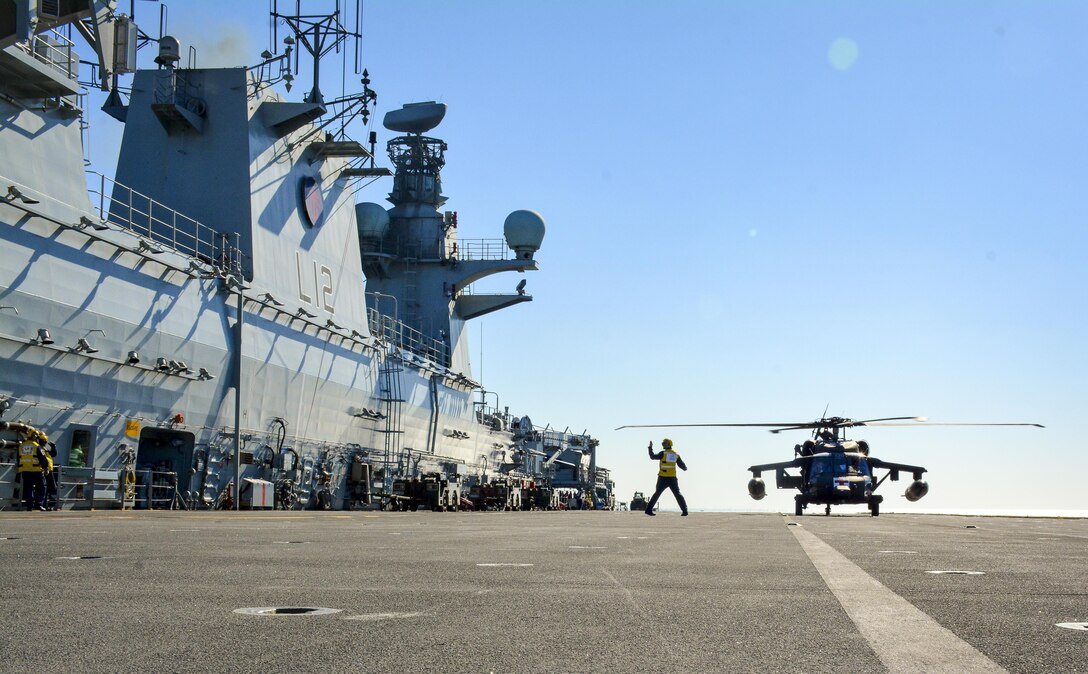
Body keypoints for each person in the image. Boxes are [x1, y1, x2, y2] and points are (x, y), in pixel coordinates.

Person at [644, 438, 688, 516]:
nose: (663, 445)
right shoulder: (675, 454)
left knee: (657, 493)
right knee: (677, 494)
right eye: (663, 443)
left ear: (669, 444)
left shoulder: (663, 453)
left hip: (663, 478)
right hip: (672, 478)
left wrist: (650, 448)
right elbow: (681, 464)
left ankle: (648, 510)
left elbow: (652, 456)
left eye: (665, 443)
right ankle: (685, 510)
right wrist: (685, 468)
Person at [16, 431, 47, 511]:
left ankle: (29, 505)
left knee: (28, 488)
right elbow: (43, 459)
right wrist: (46, 468)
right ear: (35, 437)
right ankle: (38, 504)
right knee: (41, 487)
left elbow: (18, 458)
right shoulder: (37, 446)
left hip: (25, 470)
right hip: (36, 470)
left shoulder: (21, 446)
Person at [42, 441, 58, 510]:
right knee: (47, 488)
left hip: (49, 470)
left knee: (51, 488)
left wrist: (53, 447)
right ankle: (45, 505)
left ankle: (50, 505)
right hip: (44, 471)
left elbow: (53, 454)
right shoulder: (40, 449)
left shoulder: (44, 449)